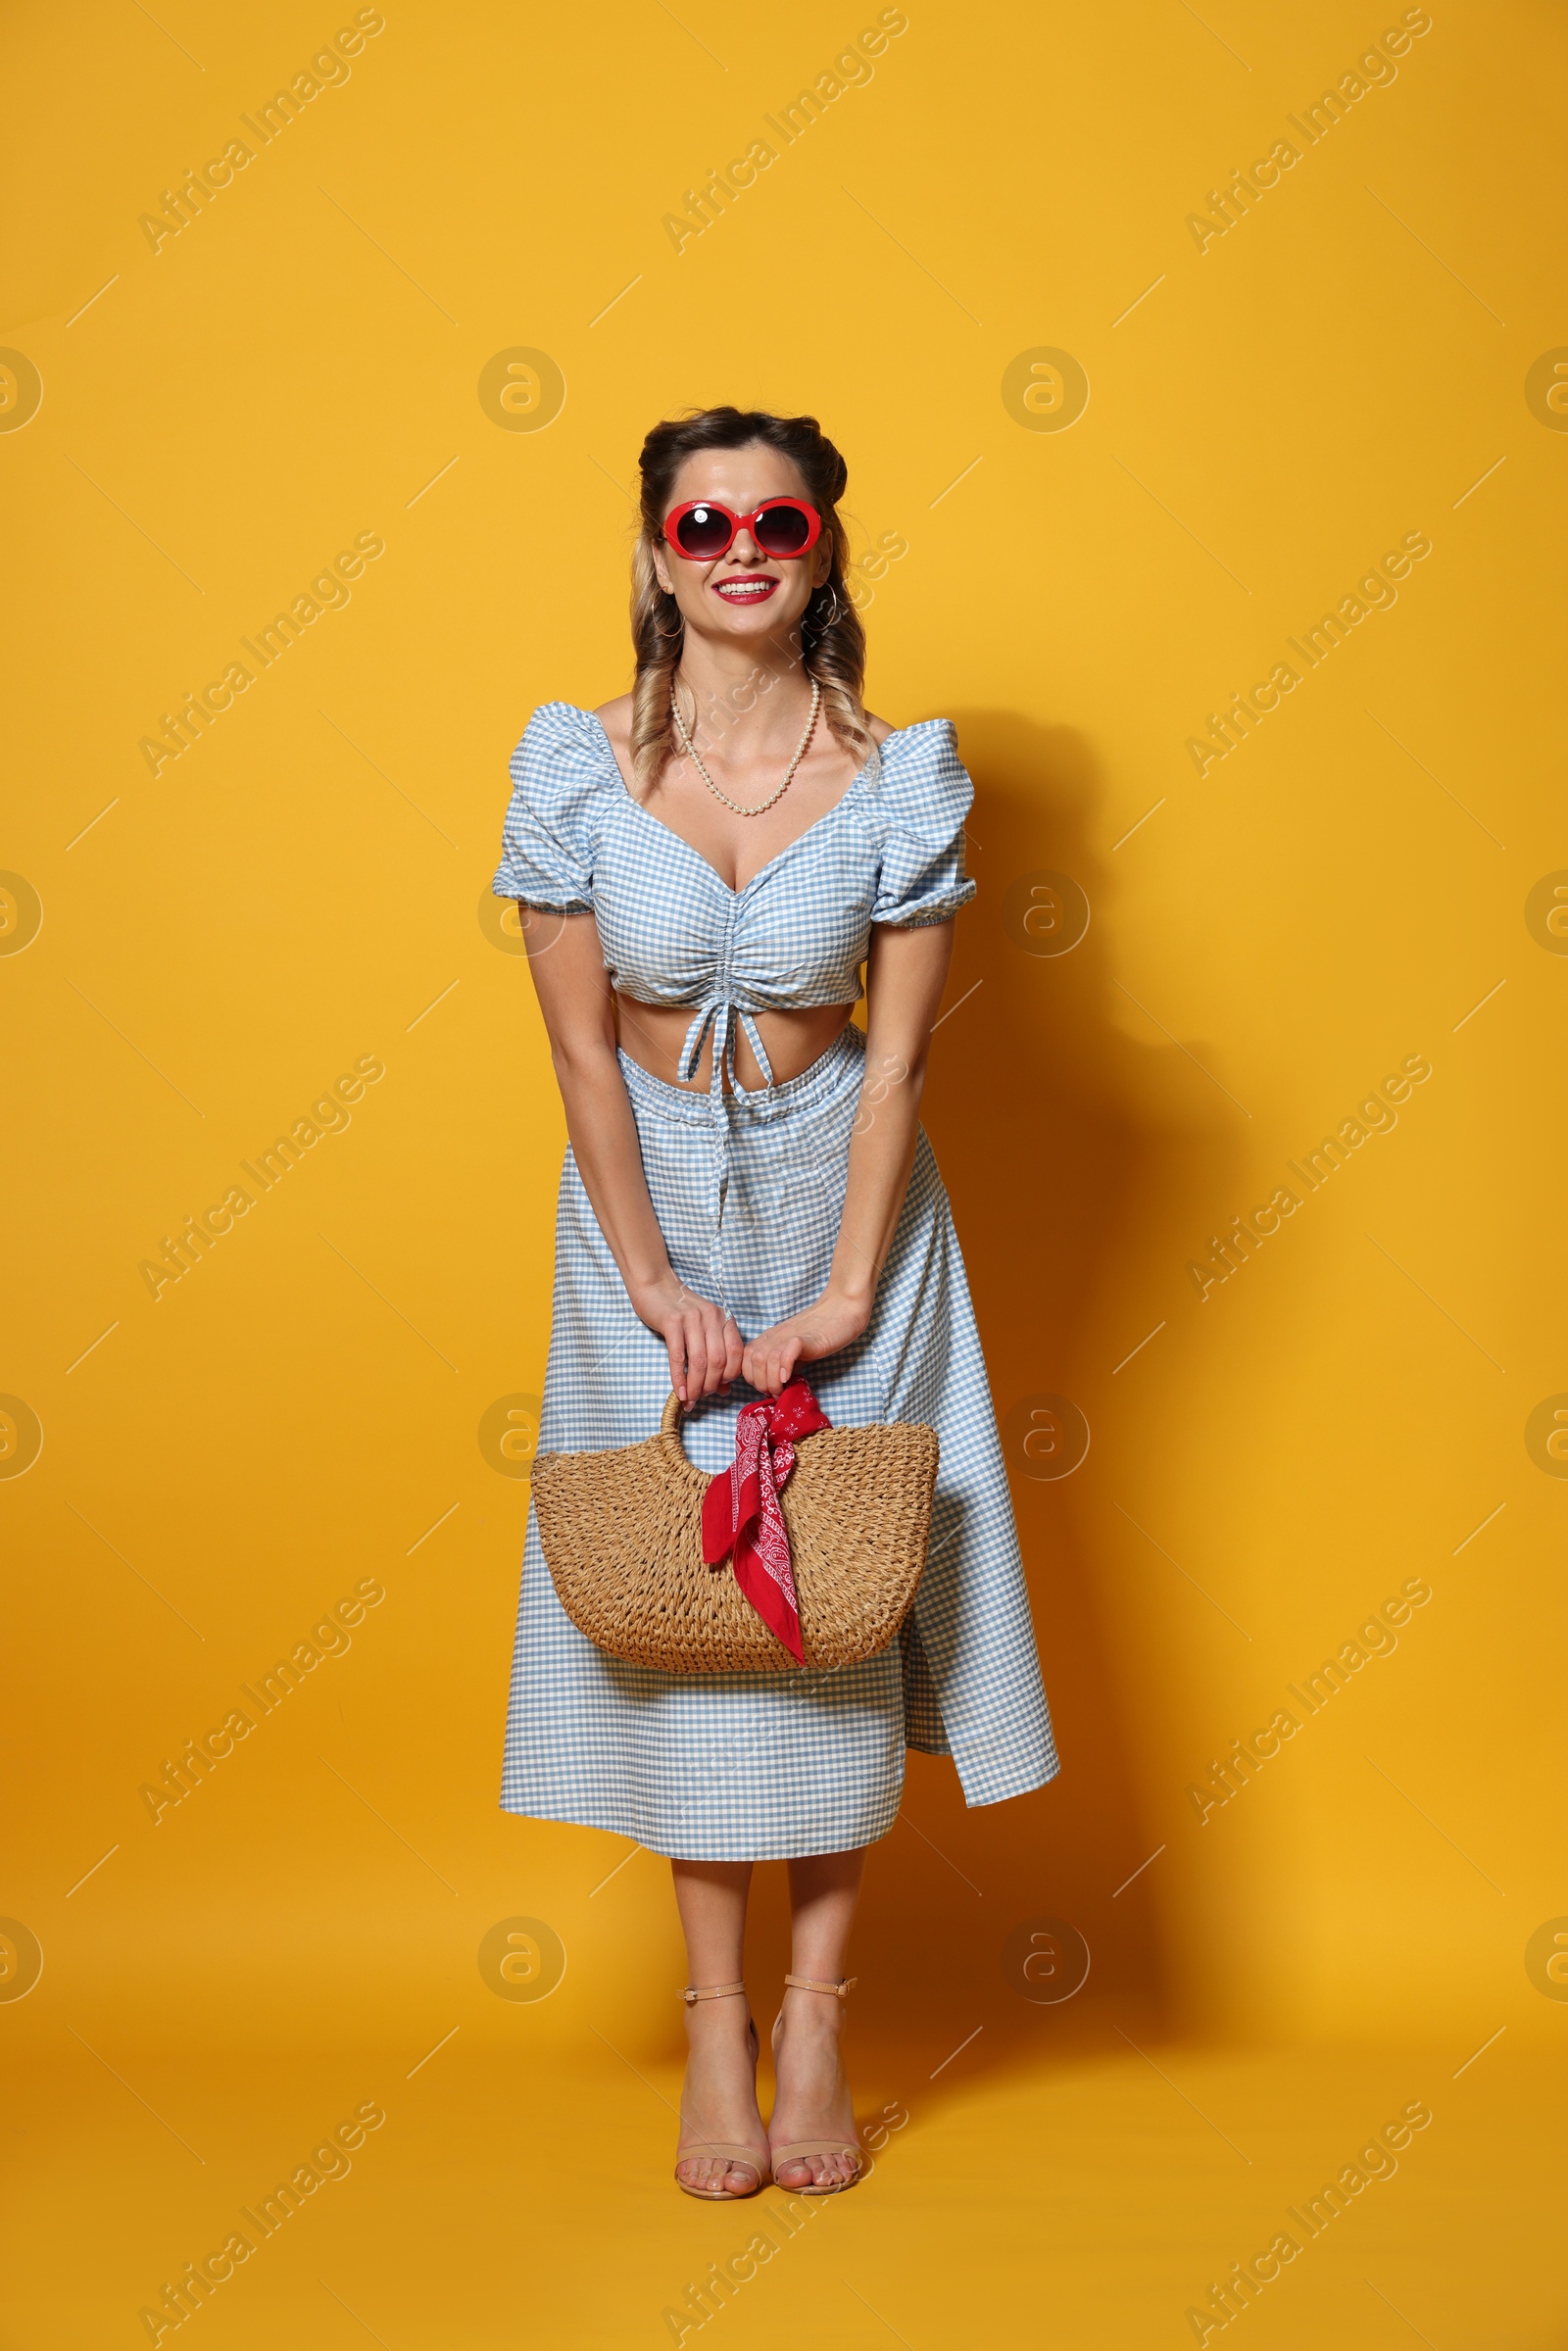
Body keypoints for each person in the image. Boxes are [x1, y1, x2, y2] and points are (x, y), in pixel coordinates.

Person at [494, 405, 1057, 2199]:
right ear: (658, 550)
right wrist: (653, 1282)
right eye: (704, 517)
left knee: (827, 1609)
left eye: (779, 520)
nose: (741, 543)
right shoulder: (574, 766)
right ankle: (714, 2036)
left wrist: (839, 1294)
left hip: (854, 1221)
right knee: (687, 1610)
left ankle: (819, 2019)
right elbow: (584, 1054)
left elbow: (895, 1072)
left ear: (822, 547)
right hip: (639, 1220)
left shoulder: (902, 778)